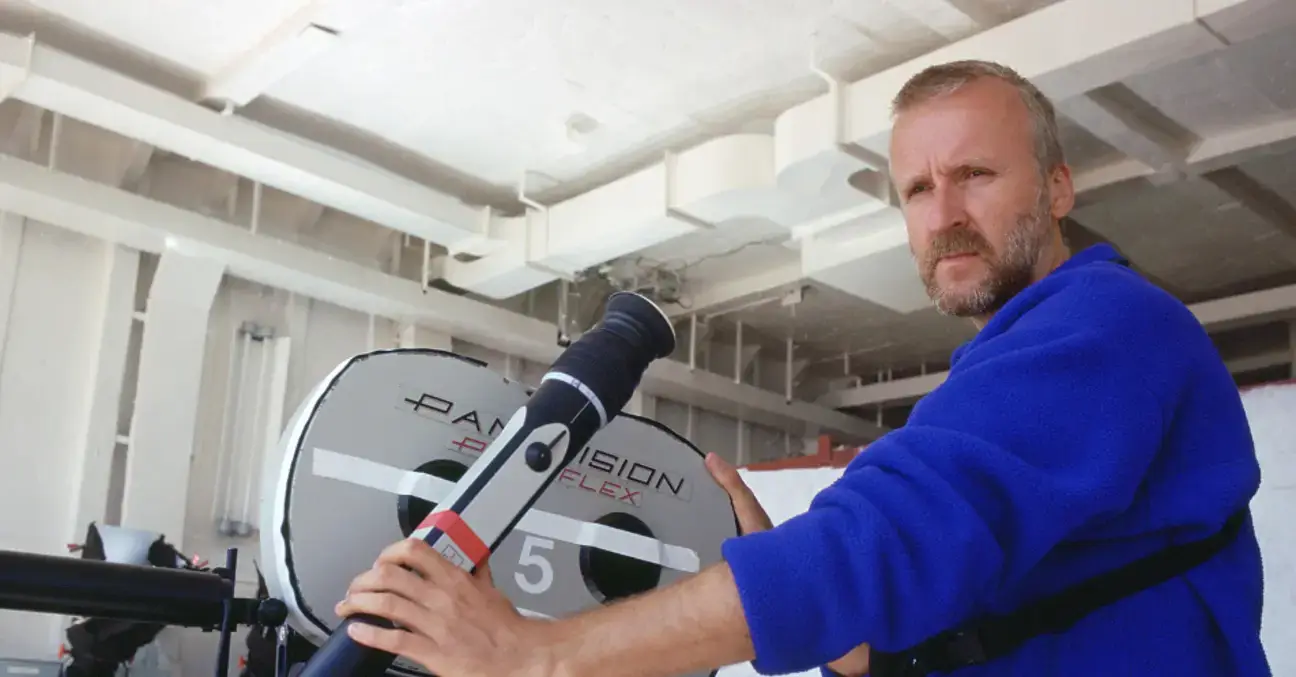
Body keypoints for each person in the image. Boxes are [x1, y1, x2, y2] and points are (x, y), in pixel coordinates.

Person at [332, 60, 1270, 676]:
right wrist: (825, 615)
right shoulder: (1007, 372)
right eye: (916, 188)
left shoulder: (1104, 325)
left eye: (976, 174)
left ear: (1058, 186)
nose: (942, 212)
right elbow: (973, 621)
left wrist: (531, 656)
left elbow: (878, 547)